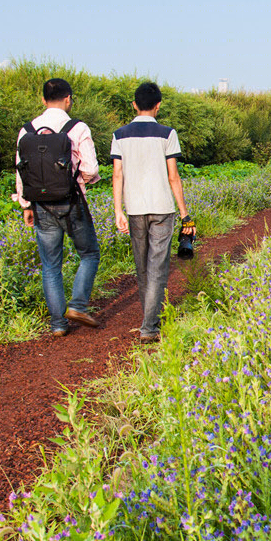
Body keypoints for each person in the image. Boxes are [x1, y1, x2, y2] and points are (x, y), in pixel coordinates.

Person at [14, 78, 102, 337]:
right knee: (89, 254)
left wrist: (26, 205)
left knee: (51, 265)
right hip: (71, 202)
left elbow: (21, 171)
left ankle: (57, 325)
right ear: (68, 99)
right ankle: (77, 305)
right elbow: (90, 169)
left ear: (43, 100)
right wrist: (78, 182)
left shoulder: (26, 130)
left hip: (40, 205)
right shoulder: (77, 127)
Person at [111, 81, 190, 344]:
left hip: (134, 208)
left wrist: (117, 210)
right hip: (162, 208)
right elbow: (173, 176)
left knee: (142, 265)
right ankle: (149, 326)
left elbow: (117, 175)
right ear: (158, 105)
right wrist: (184, 213)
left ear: (134, 104)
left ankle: (149, 320)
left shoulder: (119, 135)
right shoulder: (168, 133)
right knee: (158, 265)